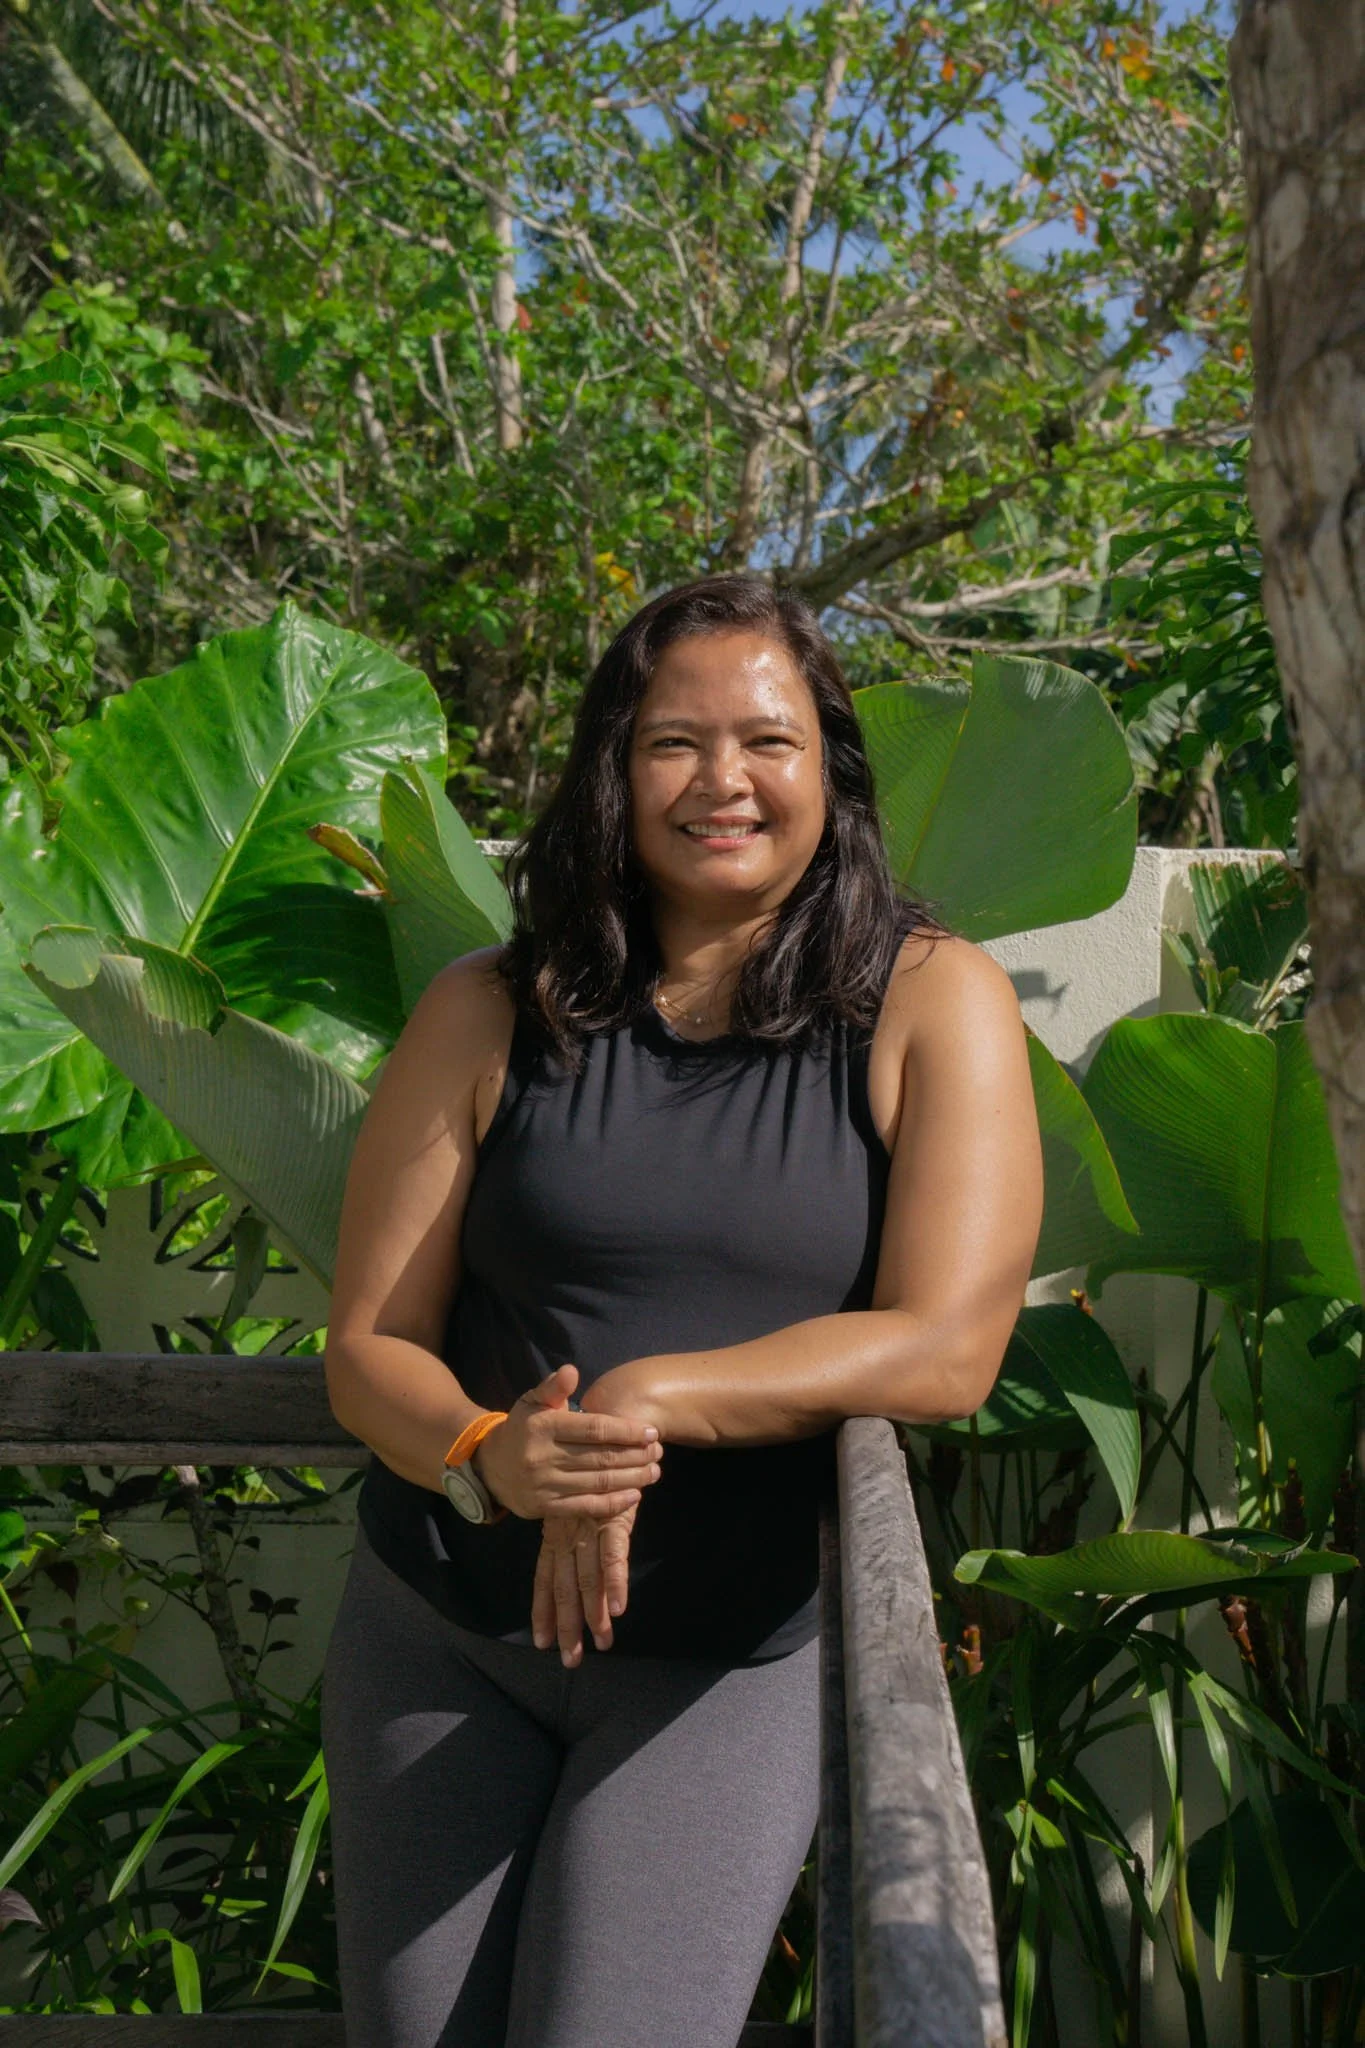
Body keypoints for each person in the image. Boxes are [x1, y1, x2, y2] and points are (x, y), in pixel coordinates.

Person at [319, 572, 1043, 2048]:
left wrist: (647, 1402)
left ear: (827, 773)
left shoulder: (929, 1000)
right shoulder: (489, 1005)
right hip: (442, 1639)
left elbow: (950, 1344)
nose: (724, 781)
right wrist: (487, 1452)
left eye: (768, 741)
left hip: (722, 1664)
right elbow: (365, 1347)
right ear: (613, 774)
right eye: (673, 744)